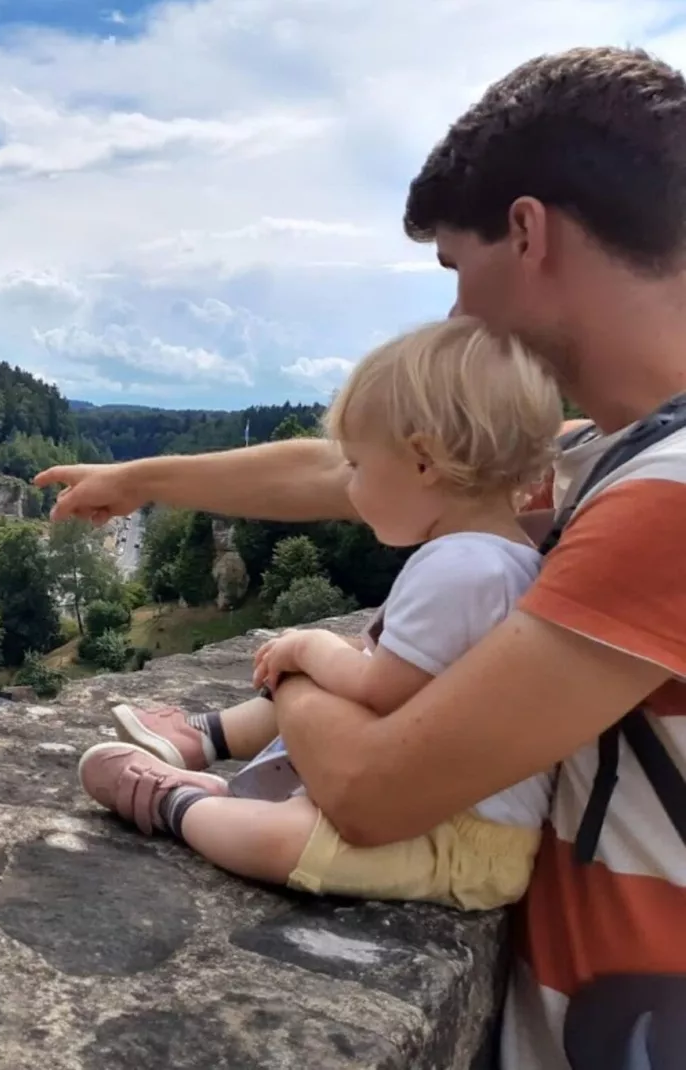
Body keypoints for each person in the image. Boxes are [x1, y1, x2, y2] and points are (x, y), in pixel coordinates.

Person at [35, 46, 686, 1070]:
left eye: (453, 271)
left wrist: (294, 667)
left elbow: (374, 790)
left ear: (526, 233)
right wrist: (147, 474)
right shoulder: (608, 451)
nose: (453, 317)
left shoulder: (665, 497)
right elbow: (347, 468)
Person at [79, 316, 563, 910]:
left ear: (423, 462)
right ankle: (215, 768)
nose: (349, 489)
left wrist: (308, 646)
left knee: (279, 843)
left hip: (460, 840)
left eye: (357, 465)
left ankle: (180, 804)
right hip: (446, 809)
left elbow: (381, 688)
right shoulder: (505, 557)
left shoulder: (461, 569)